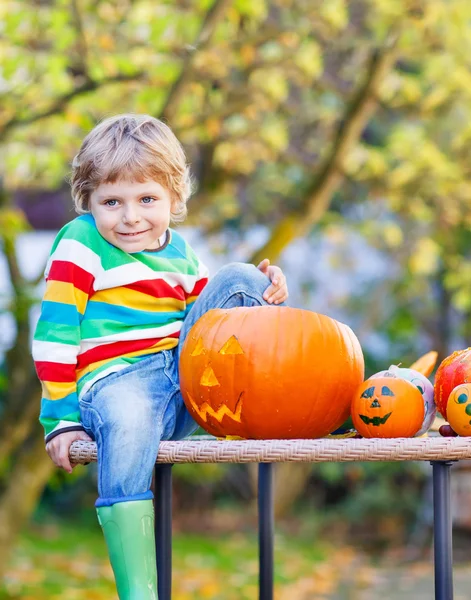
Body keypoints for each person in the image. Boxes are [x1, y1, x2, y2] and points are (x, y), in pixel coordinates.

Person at [31, 114, 288, 599]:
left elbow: (211, 321)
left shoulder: (183, 253)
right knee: (127, 420)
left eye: (147, 199)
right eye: (112, 202)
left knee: (240, 278)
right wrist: (60, 420)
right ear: (88, 202)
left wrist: (265, 290)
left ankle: (293, 398)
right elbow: (55, 337)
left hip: (185, 379)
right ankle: (139, 590)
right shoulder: (81, 243)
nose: (130, 217)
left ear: (175, 198)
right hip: (116, 384)